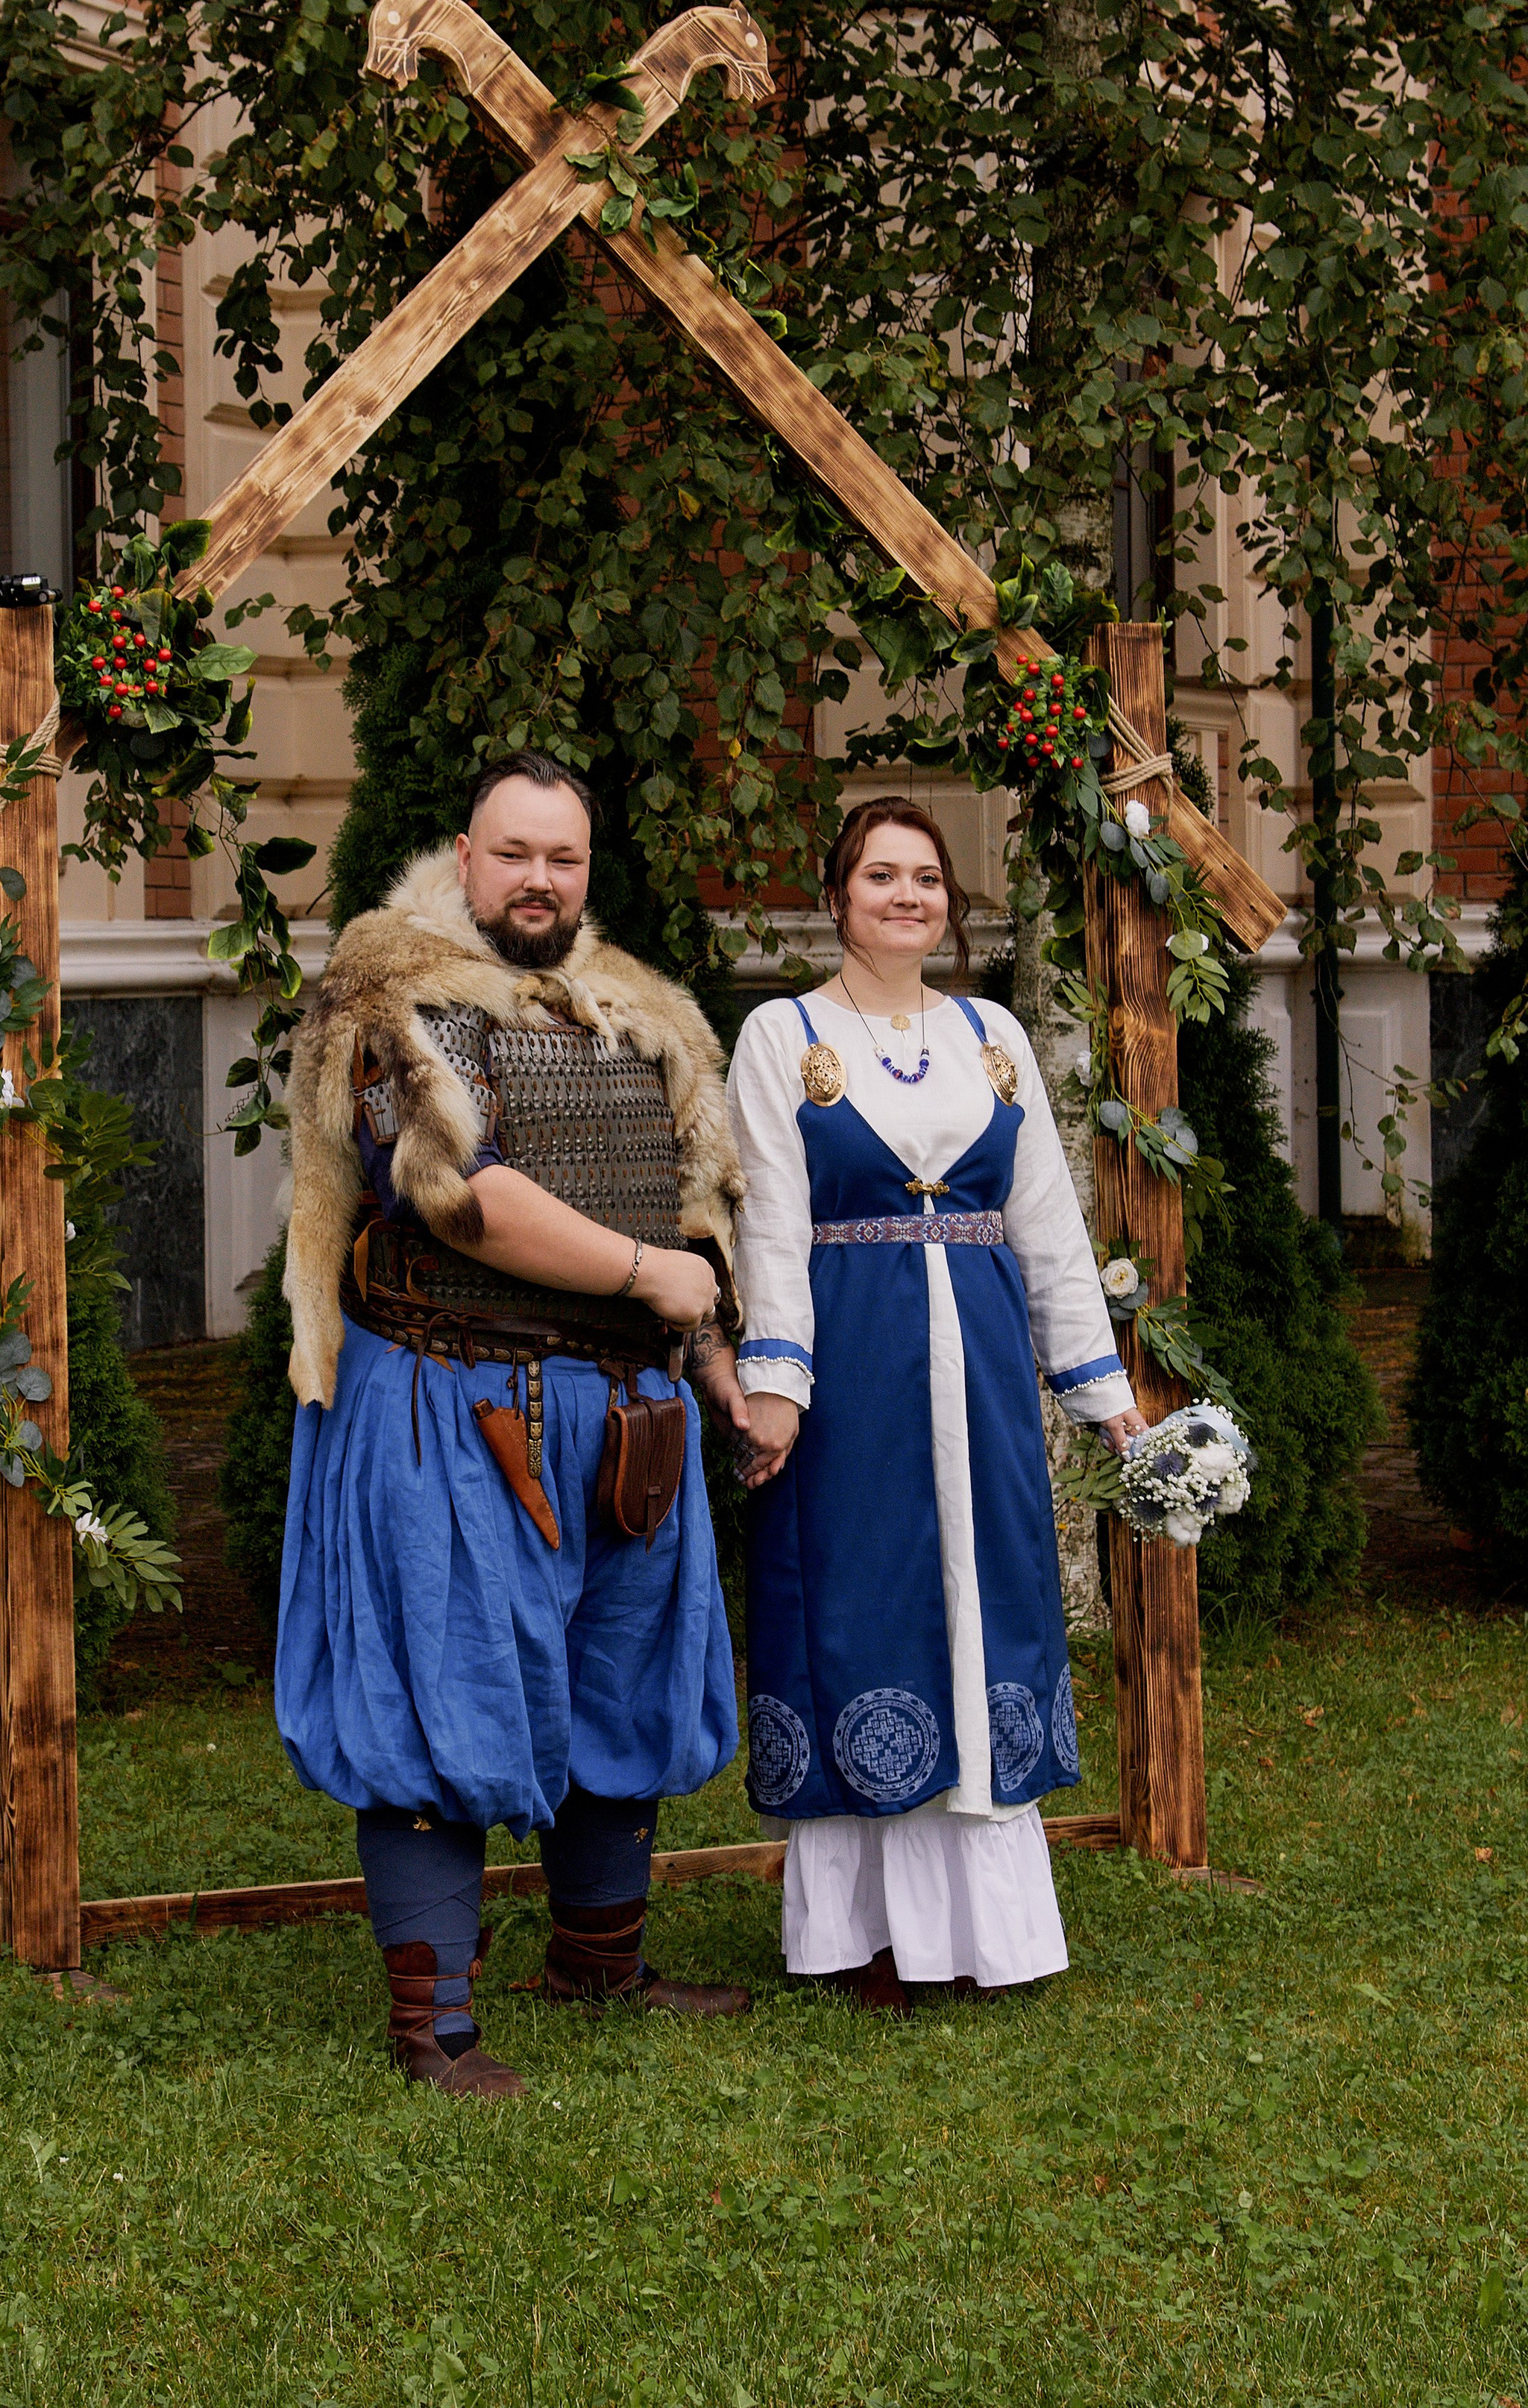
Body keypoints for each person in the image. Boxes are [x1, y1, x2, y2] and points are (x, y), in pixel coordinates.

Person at [277, 750, 755, 2098]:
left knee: (624, 1682)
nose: (538, 880)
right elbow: (465, 1197)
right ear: (465, 854)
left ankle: (602, 1965)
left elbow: (695, 1210)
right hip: (448, 1402)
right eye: (514, 853)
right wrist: (640, 1275)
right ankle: (436, 2027)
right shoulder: (388, 1000)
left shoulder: (635, 1013)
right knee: (442, 1698)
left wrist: (715, 1366)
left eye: (564, 859)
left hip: (629, 1411)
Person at [722, 796, 1147, 2012]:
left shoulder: (994, 1036)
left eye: (926, 880)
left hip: (986, 1374)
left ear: (948, 904)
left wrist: (1102, 1393)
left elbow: (1050, 1228)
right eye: (879, 877)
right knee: (864, 1602)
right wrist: (777, 1387)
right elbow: (771, 1229)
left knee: (986, 1598)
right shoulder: (782, 1034)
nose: (907, 897)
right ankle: (862, 1939)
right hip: (852, 1369)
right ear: (838, 893)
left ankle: (988, 1935)